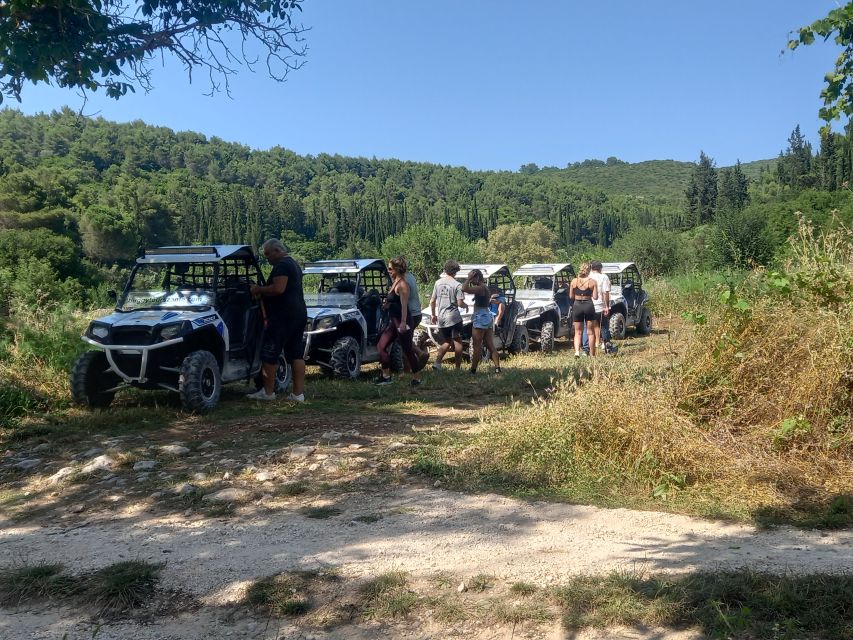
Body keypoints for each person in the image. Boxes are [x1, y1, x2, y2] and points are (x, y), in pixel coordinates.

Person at [247, 239, 307, 402]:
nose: (267, 258)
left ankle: (267, 392)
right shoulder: (293, 264)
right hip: (298, 313)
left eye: (268, 254)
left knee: (269, 353)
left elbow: (278, 288)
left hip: (282, 316)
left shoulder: (282, 265)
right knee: (296, 354)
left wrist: (258, 289)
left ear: (278, 251)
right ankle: (298, 394)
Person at [375, 257, 424, 386]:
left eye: (390, 268)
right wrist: (387, 305)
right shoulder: (395, 281)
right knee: (381, 346)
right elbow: (393, 301)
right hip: (393, 321)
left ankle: (417, 378)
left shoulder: (403, 284)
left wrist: (403, 323)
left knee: (407, 350)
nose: (388, 270)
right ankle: (386, 376)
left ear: (397, 269)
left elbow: (404, 306)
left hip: (403, 321)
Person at [430, 260, 467, 370]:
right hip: (453, 317)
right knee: (458, 341)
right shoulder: (457, 285)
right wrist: (466, 306)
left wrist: (433, 315)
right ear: (456, 271)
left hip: (441, 317)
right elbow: (460, 303)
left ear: (445, 270)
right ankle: (457, 367)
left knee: (447, 341)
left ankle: (437, 363)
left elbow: (432, 301)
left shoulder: (437, 283)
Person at [462, 268, 501, 374]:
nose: (471, 281)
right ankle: (497, 368)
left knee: (477, 345)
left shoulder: (480, 288)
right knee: (490, 345)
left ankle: (473, 369)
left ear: (477, 277)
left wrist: (468, 279)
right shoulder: (485, 287)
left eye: (472, 278)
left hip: (480, 316)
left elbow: (464, 289)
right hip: (487, 315)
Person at [400, 257, 429, 372]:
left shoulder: (403, 280)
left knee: (404, 341)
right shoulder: (411, 276)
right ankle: (410, 365)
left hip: (409, 313)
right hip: (417, 312)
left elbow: (403, 300)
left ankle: (418, 354)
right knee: (406, 339)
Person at [569, 262, 599, 358]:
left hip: (577, 305)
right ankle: (592, 354)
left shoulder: (574, 281)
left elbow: (571, 296)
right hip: (588, 305)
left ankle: (577, 352)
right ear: (589, 270)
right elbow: (595, 297)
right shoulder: (593, 282)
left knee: (578, 332)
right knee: (590, 332)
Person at [589, 260, 613, 354]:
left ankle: (588, 348)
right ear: (600, 268)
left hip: (589, 305)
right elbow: (605, 292)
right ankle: (606, 345)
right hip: (600, 305)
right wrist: (606, 306)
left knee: (590, 327)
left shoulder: (588, 276)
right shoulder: (604, 277)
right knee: (603, 326)